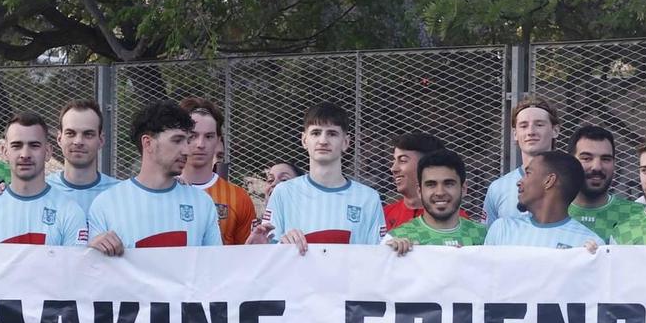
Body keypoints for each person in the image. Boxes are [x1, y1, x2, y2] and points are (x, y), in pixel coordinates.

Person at [86, 102, 222, 253]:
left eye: (187, 141)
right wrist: (93, 249)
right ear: (148, 143)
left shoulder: (202, 202)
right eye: (177, 140)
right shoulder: (106, 204)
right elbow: (93, 270)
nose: (187, 151)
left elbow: (215, 267)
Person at [262, 103, 386, 251]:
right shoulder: (283, 192)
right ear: (304, 140)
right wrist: (282, 244)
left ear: (346, 142)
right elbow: (267, 253)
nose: (323, 141)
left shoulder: (368, 198)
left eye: (332, 134)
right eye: (315, 133)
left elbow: (379, 255)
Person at [0, 113, 89, 245]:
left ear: (48, 152)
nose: (25, 155)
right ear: (4, 151)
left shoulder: (69, 210)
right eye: (17, 145)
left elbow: (75, 265)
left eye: (34, 145)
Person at [179, 96, 257, 245]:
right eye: (193, 135)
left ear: (218, 140)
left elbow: (248, 257)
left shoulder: (238, 197)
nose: (200, 144)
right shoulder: (163, 191)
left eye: (209, 136)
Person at [485, 151, 602, 249]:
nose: (519, 182)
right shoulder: (502, 229)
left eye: (528, 173)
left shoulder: (588, 245)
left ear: (549, 181)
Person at [386, 151, 486, 248]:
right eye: (431, 184)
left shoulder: (485, 236)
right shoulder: (397, 238)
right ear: (419, 191)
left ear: (463, 189)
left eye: (448, 184)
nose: (440, 192)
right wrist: (390, 252)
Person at [484, 97, 561, 224]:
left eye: (539, 124)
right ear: (515, 134)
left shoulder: (570, 183)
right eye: (524, 126)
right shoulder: (498, 188)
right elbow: (489, 239)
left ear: (555, 130)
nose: (531, 132)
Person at [566, 125, 646, 242]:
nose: (597, 167)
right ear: (570, 161)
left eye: (605, 159)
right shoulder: (552, 213)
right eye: (587, 158)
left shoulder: (640, 215)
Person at [48, 100, 118, 213]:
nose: (78, 141)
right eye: (70, 133)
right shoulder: (41, 191)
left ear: (101, 140)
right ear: (59, 139)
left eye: (88, 134)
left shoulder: (119, 194)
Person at [386, 132, 446, 228]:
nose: (393, 169)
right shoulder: (383, 215)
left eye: (403, 160)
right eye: (394, 161)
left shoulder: (457, 221)